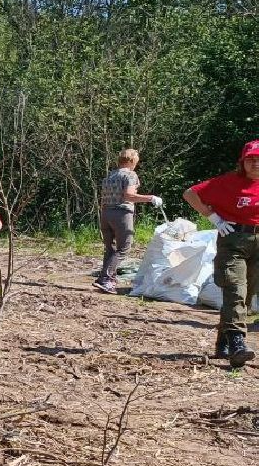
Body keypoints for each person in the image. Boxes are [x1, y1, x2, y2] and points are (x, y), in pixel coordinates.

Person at [182, 140, 259, 365]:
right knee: (235, 288)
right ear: (242, 162)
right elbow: (190, 194)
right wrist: (213, 218)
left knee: (246, 296)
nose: (255, 164)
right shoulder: (228, 182)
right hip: (233, 240)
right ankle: (237, 342)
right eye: (251, 160)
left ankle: (223, 343)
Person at [95, 148, 163, 293]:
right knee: (123, 249)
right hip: (121, 214)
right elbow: (129, 196)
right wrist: (150, 198)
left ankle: (108, 281)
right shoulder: (130, 175)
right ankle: (105, 279)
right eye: (136, 162)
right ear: (132, 161)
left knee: (110, 249)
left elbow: (102, 199)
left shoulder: (109, 176)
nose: (136, 166)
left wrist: (104, 214)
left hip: (106, 213)